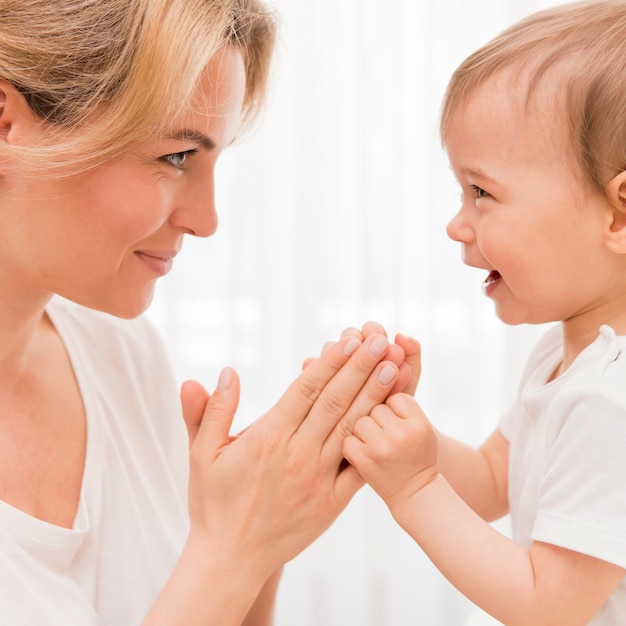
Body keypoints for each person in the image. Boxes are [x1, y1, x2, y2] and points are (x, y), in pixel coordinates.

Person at [0, 1, 422, 625]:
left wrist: (261, 527)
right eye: (176, 157)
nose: (207, 219)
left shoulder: (121, 354)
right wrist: (235, 548)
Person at [342, 1, 626, 624]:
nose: (456, 223)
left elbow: (547, 604)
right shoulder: (565, 354)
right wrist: (406, 430)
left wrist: (415, 490)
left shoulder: (611, 399)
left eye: (482, 192)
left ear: (619, 214)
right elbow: (496, 478)